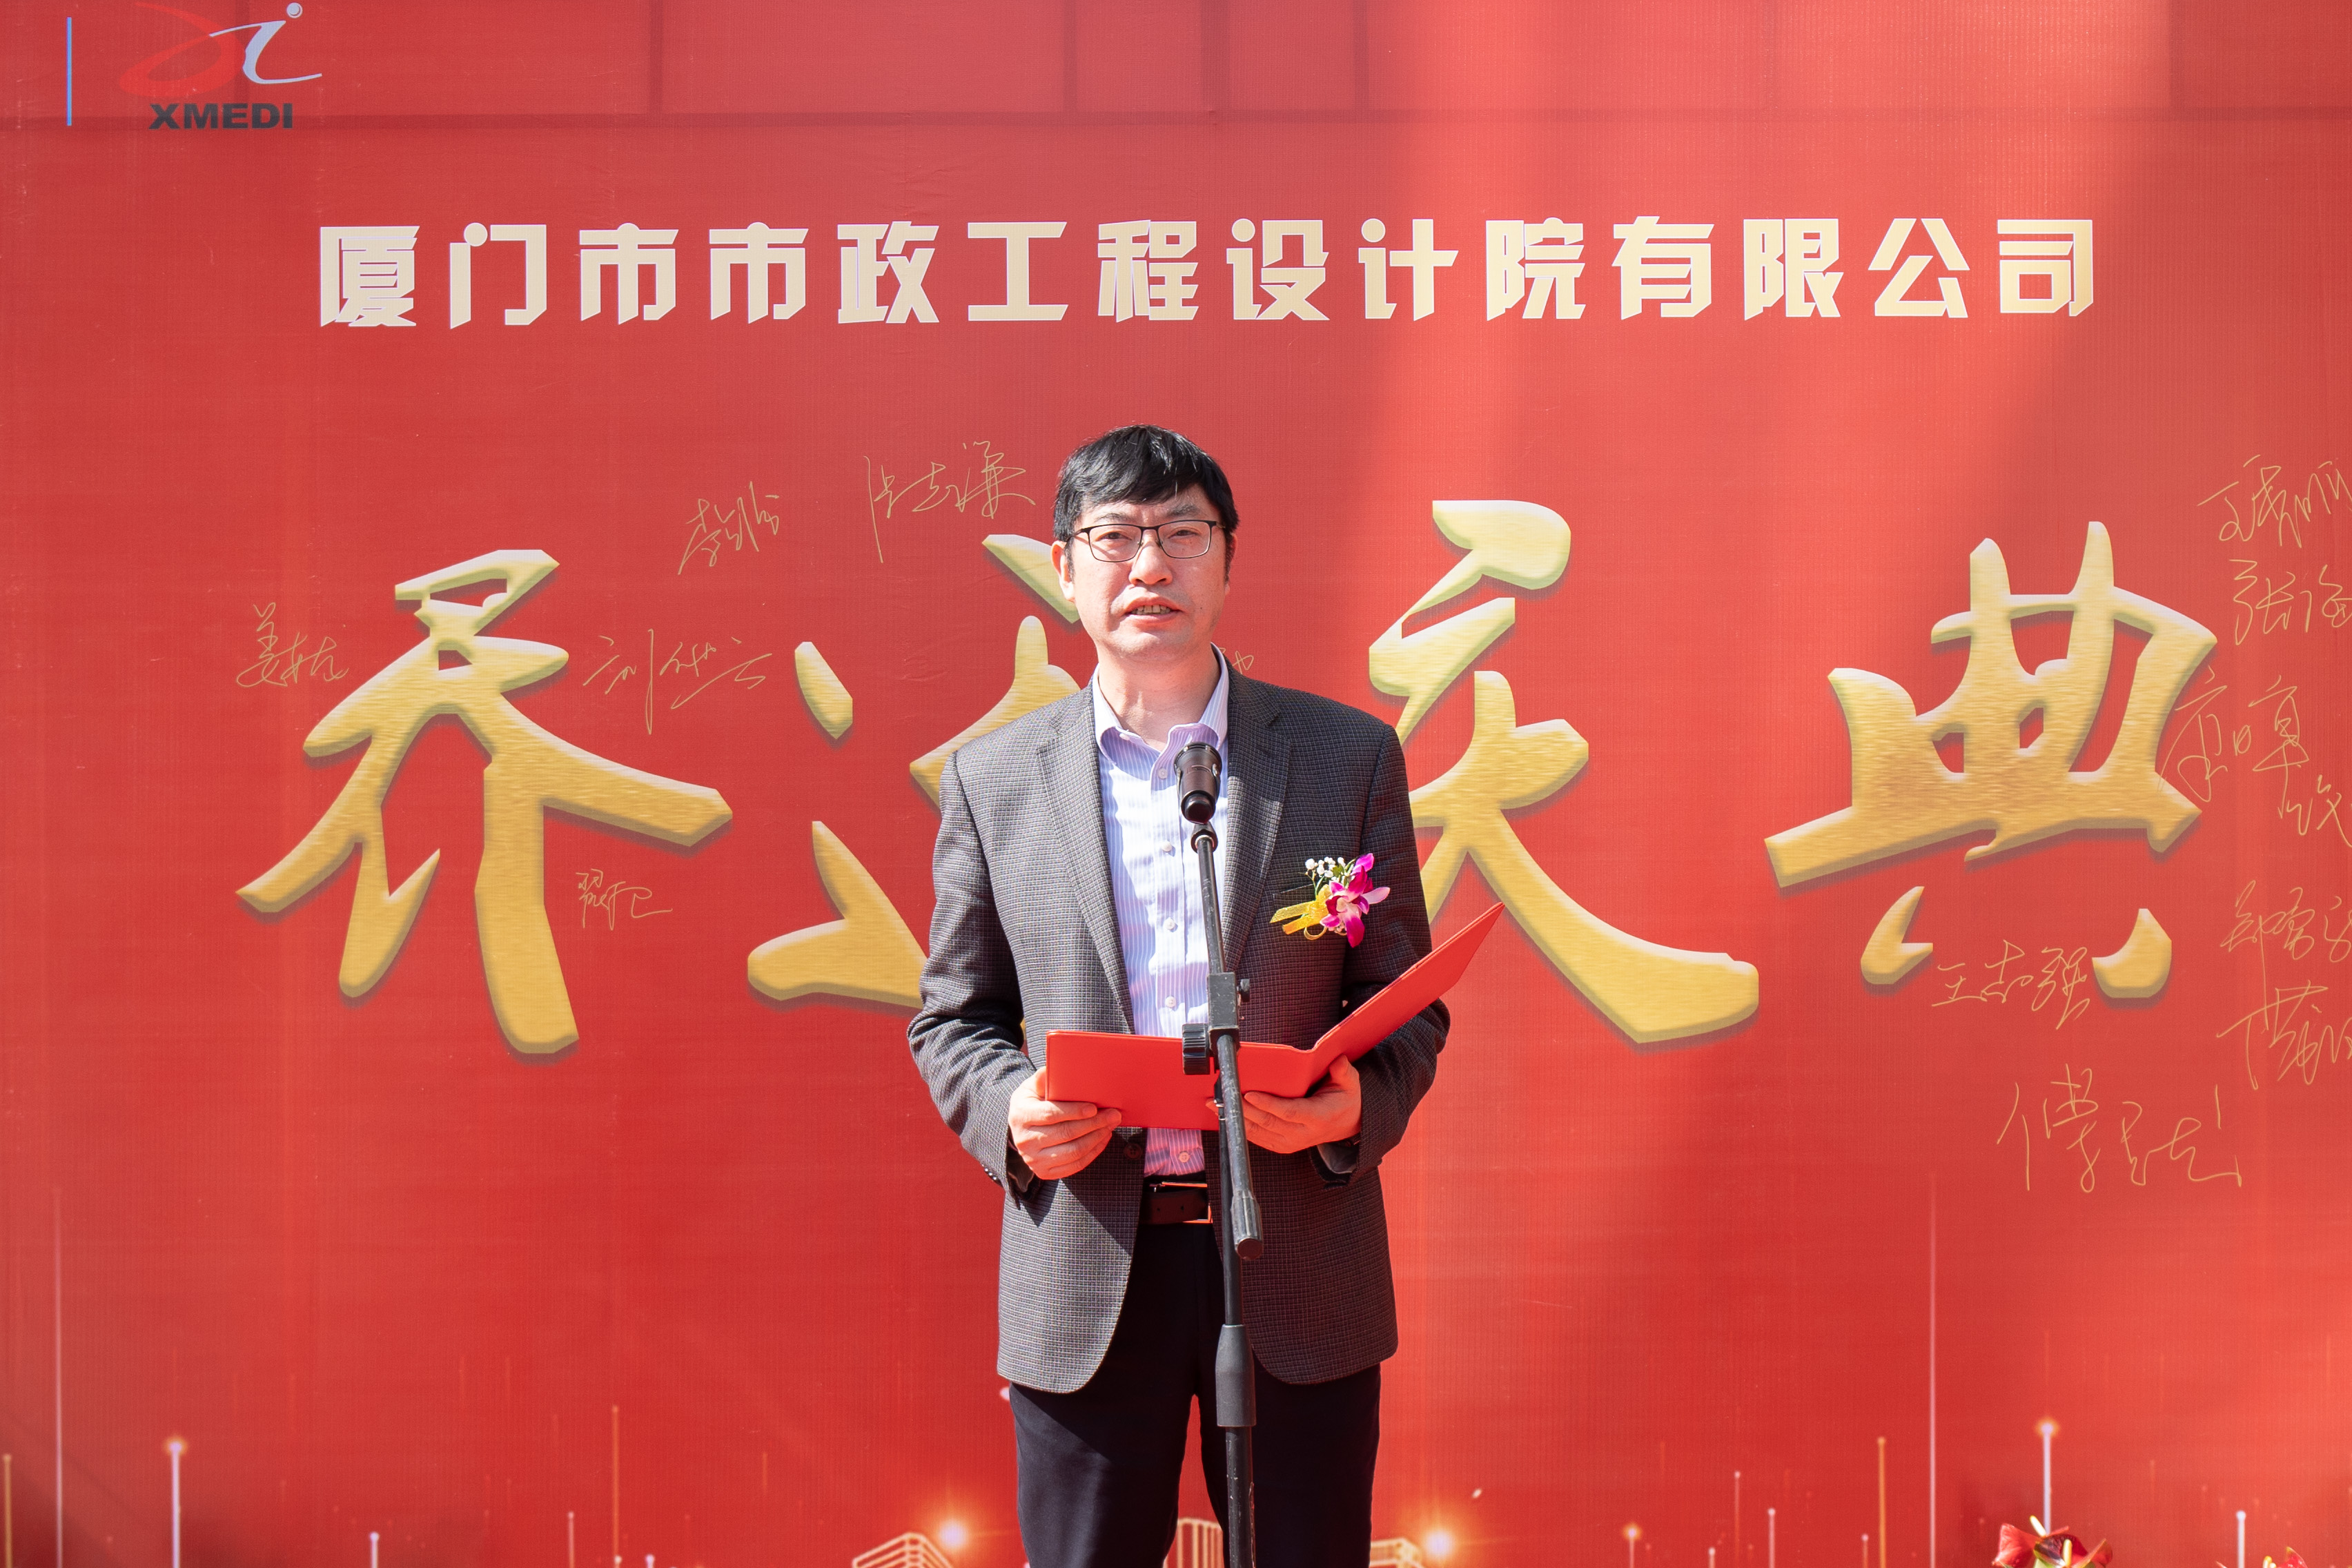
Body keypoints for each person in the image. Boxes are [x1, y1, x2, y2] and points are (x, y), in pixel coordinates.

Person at [908, 425, 1447, 1568]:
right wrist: (1011, 1111)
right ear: (1065, 569)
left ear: (1228, 561)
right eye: (1115, 537)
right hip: (1090, 1260)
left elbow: (1406, 998)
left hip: (1292, 1252)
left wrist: (1354, 1108)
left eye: (1183, 534)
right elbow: (953, 1018)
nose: (1150, 565)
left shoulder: (1343, 759)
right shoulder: (996, 780)